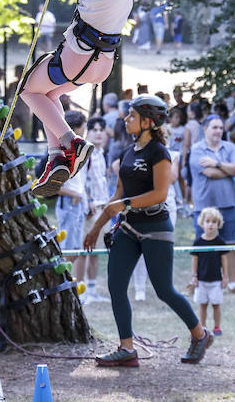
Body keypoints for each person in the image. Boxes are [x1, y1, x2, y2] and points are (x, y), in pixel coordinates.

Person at [84, 96, 214, 367]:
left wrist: (125, 204)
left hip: (156, 227)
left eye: (131, 116)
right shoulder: (127, 152)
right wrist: (96, 228)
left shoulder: (159, 153)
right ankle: (126, 348)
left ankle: (200, 334)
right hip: (129, 228)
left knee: (164, 289)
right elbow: (117, 195)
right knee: (116, 286)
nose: (125, 119)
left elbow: (159, 194)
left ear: (147, 122)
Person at [23, 0, 137, 197]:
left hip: (78, 55)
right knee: (50, 95)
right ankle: (56, 157)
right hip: (102, 62)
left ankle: (70, 142)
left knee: (28, 91)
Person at [188, 115, 235, 292]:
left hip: (228, 203)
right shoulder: (197, 149)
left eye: (221, 128)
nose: (218, 131)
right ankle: (198, 282)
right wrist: (228, 170)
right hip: (204, 206)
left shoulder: (229, 147)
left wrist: (217, 163)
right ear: (205, 128)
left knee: (230, 244)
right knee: (202, 246)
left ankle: (233, 283)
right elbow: (210, 173)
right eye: (214, 127)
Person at [76, 116, 113, 299]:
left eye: (101, 130)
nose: (98, 134)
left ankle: (91, 289)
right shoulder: (86, 153)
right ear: (88, 132)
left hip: (103, 206)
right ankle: (81, 290)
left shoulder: (101, 153)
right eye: (95, 130)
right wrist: (88, 200)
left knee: (97, 250)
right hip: (90, 208)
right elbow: (80, 182)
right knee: (84, 250)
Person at [56, 111, 89, 260]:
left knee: (76, 249)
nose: (85, 130)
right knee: (67, 249)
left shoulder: (79, 150)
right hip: (69, 203)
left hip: (78, 202)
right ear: (75, 129)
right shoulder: (62, 152)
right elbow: (55, 185)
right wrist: (75, 195)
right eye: (83, 127)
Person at [190, 207, 227, 335]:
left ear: (218, 224)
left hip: (216, 280)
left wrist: (225, 277)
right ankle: (203, 328)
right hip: (201, 280)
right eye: (208, 221)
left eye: (214, 222)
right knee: (203, 305)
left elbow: (224, 261)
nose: (210, 224)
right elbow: (194, 260)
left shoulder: (220, 242)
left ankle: (217, 327)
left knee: (216, 305)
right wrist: (194, 276)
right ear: (202, 223)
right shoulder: (198, 242)